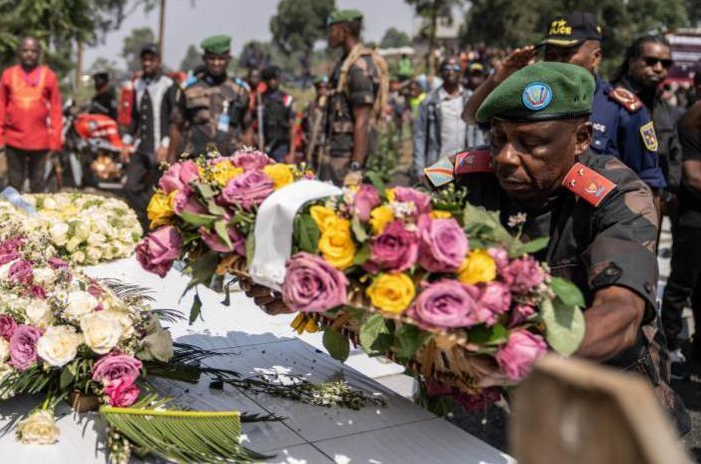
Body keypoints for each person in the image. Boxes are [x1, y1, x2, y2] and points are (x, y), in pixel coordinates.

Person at [243, 62, 689, 433]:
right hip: (482, 409)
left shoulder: (615, 195)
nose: (508, 157)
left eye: (532, 143)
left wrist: (525, 354)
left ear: (581, 138)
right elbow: (376, 243)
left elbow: (622, 315)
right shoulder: (461, 180)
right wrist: (310, 287)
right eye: (498, 139)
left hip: (605, 409)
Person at [462, 13, 667, 196]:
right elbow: (472, 117)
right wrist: (497, 78)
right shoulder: (534, 98)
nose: (557, 62)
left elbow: (649, 187)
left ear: (595, 57)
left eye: (566, 54)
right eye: (551, 55)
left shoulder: (622, 110)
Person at [610, 34, 681, 193]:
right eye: (650, 61)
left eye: (666, 64)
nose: (658, 68)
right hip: (617, 198)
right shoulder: (609, 101)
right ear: (632, 61)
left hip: (656, 200)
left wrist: (669, 193)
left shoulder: (665, 108)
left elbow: (675, 154)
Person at [0, 36, 62, 192]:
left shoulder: (49, 76)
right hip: (13, 140)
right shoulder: (8, 75)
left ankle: (36, 216)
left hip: (40, 141)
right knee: (14, 183)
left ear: (39, 53)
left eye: (33, 51)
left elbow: (56, 110)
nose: (29, 54)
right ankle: (14, 215)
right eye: (25, 50)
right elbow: (0, 107)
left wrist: (55, 141)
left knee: (38, 184)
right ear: (19, 52)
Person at [167, 35, 252, 162]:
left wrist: (250, 158)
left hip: (231, 162)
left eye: (221, 58)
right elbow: (176, 126)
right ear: (204, 59)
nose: (216, 63)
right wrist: (171, 157)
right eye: (212, 58)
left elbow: (247, 128)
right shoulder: (189, 89)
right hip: (196, 161)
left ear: (228, 59)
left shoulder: (240, 90)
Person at [663, 102, 701, 379]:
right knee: (681, 284)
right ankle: (671, 346)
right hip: (693, 221)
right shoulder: (690, 128)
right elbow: (692, 177)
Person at [320, 9, 378, 185]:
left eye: (332, 30)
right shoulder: (344, 63)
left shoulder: (358, 67)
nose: (329, 36)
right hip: (336, 149)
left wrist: (355, 168)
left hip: (347, 155)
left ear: (344, 31)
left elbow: (363, 120)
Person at [123, 43, 177, 227]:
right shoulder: (137, 84)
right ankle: (143, 223)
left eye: (151, 59)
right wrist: (125, 142)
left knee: (156, 191)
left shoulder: (168, 84)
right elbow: (135, 117)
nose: (147, 63)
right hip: (142, 147)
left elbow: (174, 119)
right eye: (144, 60)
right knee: (129, 186)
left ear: (159, 62)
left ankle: (153, 228)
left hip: (160, 148)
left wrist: (166, 144)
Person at [411, 58, 484, 180]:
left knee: (466, 197)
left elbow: (478, 133)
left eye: (455, 69)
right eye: (446, 69)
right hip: (439, 165)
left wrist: (480, 162)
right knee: (442, 197)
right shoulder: (429, 102)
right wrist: (419, 169)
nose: (451, 72)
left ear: (461, 73)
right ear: (440, 73)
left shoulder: (471, 99)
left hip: (466, 163)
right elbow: (420, 136)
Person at [255, 65, 295, 162]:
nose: (272, 81)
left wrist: (292, 152)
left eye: (275, 79)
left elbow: (292, 127)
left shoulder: (287, 99)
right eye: (270, 79)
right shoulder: (260, 99)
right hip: (263, 144)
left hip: (280, 145)